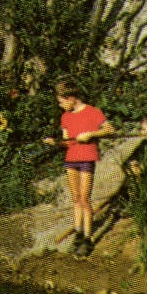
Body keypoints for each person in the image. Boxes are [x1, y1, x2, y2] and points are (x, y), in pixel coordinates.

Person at [44, 80, 114, 256]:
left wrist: (91, 134)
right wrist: (56, 143)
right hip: (71, 159)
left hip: (86, 158)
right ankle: (78, 232)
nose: (60, 105)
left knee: (84, 198)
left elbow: (110, 130)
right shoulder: (65, 117)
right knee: (75, 197)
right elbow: (67, 142)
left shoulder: (93, 112)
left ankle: (87, 237)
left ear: (72, 98)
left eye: (62, 101)